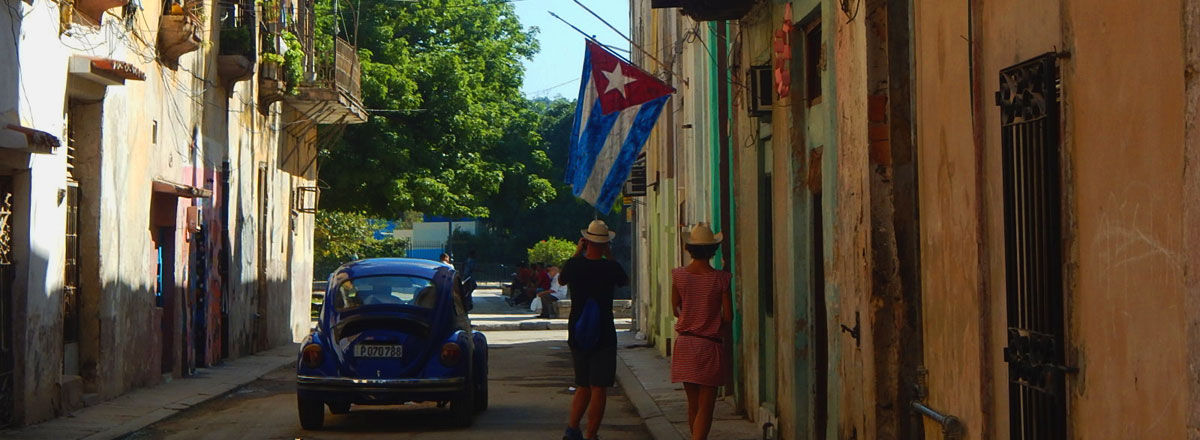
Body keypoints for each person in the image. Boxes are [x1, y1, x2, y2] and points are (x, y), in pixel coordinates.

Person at [558, 220, 628, 440]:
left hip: (578, 331)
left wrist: (577, 253)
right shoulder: (610, 267)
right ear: (606, 244)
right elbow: (623, 280)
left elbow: (561, 279)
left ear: (586, 241)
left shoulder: (575, 266)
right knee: (599, 387)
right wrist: (610, 255)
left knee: (583, 384)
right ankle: (591, 434)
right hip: (604, 332)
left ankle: (572, 428)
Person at [670, 223, 732, 440]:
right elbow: (728, 316)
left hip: (686, 344)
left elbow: (676, 308)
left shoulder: (679, 276)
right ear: (713, 250)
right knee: (707, 406)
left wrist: (691, 318)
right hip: (709, 345)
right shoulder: (721, 279)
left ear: (690, 249)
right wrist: (713, 325)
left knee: (693, 404)